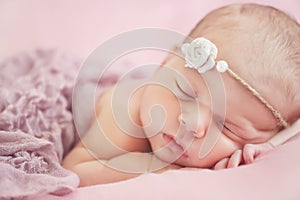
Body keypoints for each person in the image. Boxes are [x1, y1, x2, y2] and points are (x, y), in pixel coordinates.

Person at [62, 3, 300, 186]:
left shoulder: (249, 136)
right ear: (165, 63)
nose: (192, 123)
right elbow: (75, 170)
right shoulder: (127, 110)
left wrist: (262, 148)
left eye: (226, 126)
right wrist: (163, 169)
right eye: (185, 92)